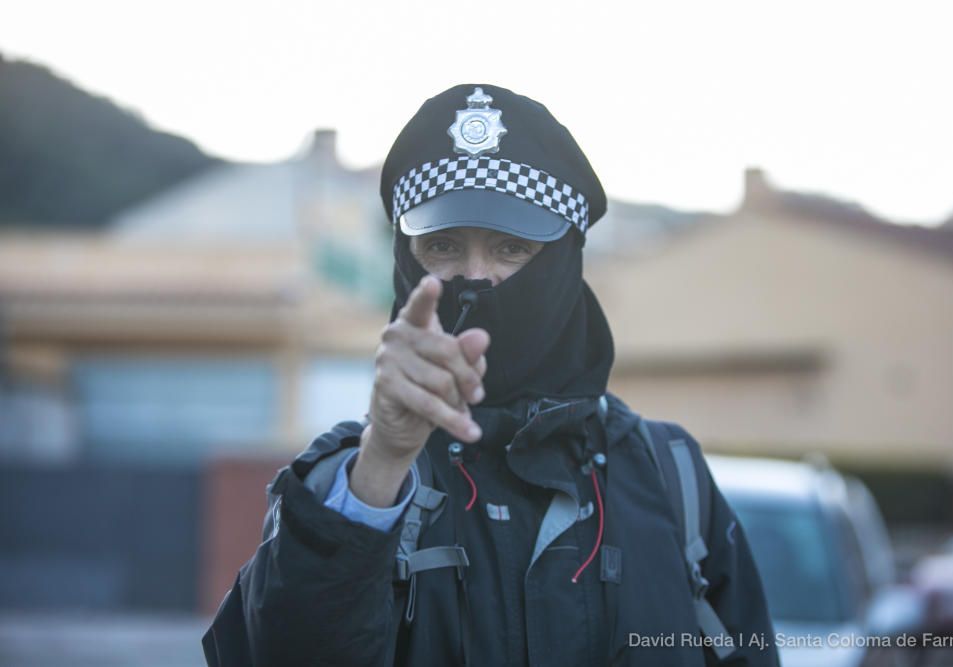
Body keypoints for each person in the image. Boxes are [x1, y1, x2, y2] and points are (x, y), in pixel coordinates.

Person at [202, 84, 780, 667]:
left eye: (511, 248)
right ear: (406, 262)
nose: (476, 279)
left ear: (566, 262)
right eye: (444, 246)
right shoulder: (347, 481)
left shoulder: (668, 475)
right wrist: (382, 462)